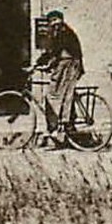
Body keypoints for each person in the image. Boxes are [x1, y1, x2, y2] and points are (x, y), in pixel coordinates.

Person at [32, 9, 83, 142]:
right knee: (64, 95)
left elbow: (55, 51)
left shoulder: (62, 32)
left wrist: (43, 64)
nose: (53, 25)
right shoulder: (62, 31)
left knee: (53, 95)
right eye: (51, 23)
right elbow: (52, 51)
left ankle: (56, 129)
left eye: (54, 22)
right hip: (68, 65)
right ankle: (65, 125)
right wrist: (39, 64)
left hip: (68, 66)